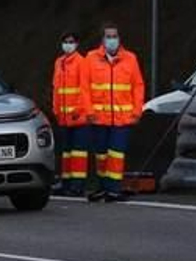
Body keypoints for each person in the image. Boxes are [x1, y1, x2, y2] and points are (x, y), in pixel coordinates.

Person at [85, 23, 145, 203]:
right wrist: (89, 111)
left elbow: (138, 86)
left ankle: (114, 189)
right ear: (102, 39)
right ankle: (103, 187)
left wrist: (137, 111)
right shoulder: (91, 58)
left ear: (120, 38)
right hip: (99, 117)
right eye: (108, 36)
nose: (112, 39)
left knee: (116, 154)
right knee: (101, 155)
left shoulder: (130, 58)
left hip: (122, 118)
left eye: (115, 36)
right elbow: (85, 87)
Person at [50, 32, 92, 197]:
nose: (68, 44)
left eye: (71, 42)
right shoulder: (59, 62)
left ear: (77, 44)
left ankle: (78, 185)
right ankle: (66, 182)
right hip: (63, 117)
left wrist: (79, 109)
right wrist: (56, 109)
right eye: (65, 42)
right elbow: (56, 89)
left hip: (78, 116)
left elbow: (84, 89)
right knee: (66, 152)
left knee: (79, 153)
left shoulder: (81, 62)